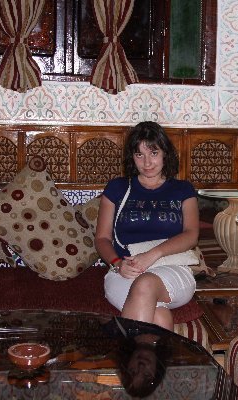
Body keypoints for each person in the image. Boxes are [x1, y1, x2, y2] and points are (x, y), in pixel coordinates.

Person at [95, 121, 199, 331]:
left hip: (172, 269)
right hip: (126, 271)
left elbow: (191, 235)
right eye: (139, 155)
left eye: (153, 153)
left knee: (146, 283)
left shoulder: (183, 190)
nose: (147, 162)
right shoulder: (117, 188)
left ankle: (124, 352)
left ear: (165, 153)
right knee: (159, 315)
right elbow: (102, 238)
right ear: (132, 157)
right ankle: (156, 354)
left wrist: (152, 255)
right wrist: (117, 263)